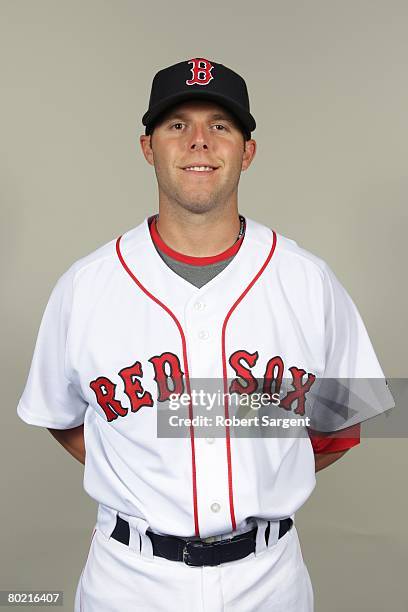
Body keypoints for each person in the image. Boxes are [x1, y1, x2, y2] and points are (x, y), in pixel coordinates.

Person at [17, 57, 394, 611]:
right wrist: (139, 469)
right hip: (128, 582)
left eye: (220, 124)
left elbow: (344, 427)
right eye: (177, 125)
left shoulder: (309, 281)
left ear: (248, 150)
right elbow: (59, 415)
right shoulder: (85, 286)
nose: (199, 141)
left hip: (270, 582)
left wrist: (265, 469)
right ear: (147, 147)